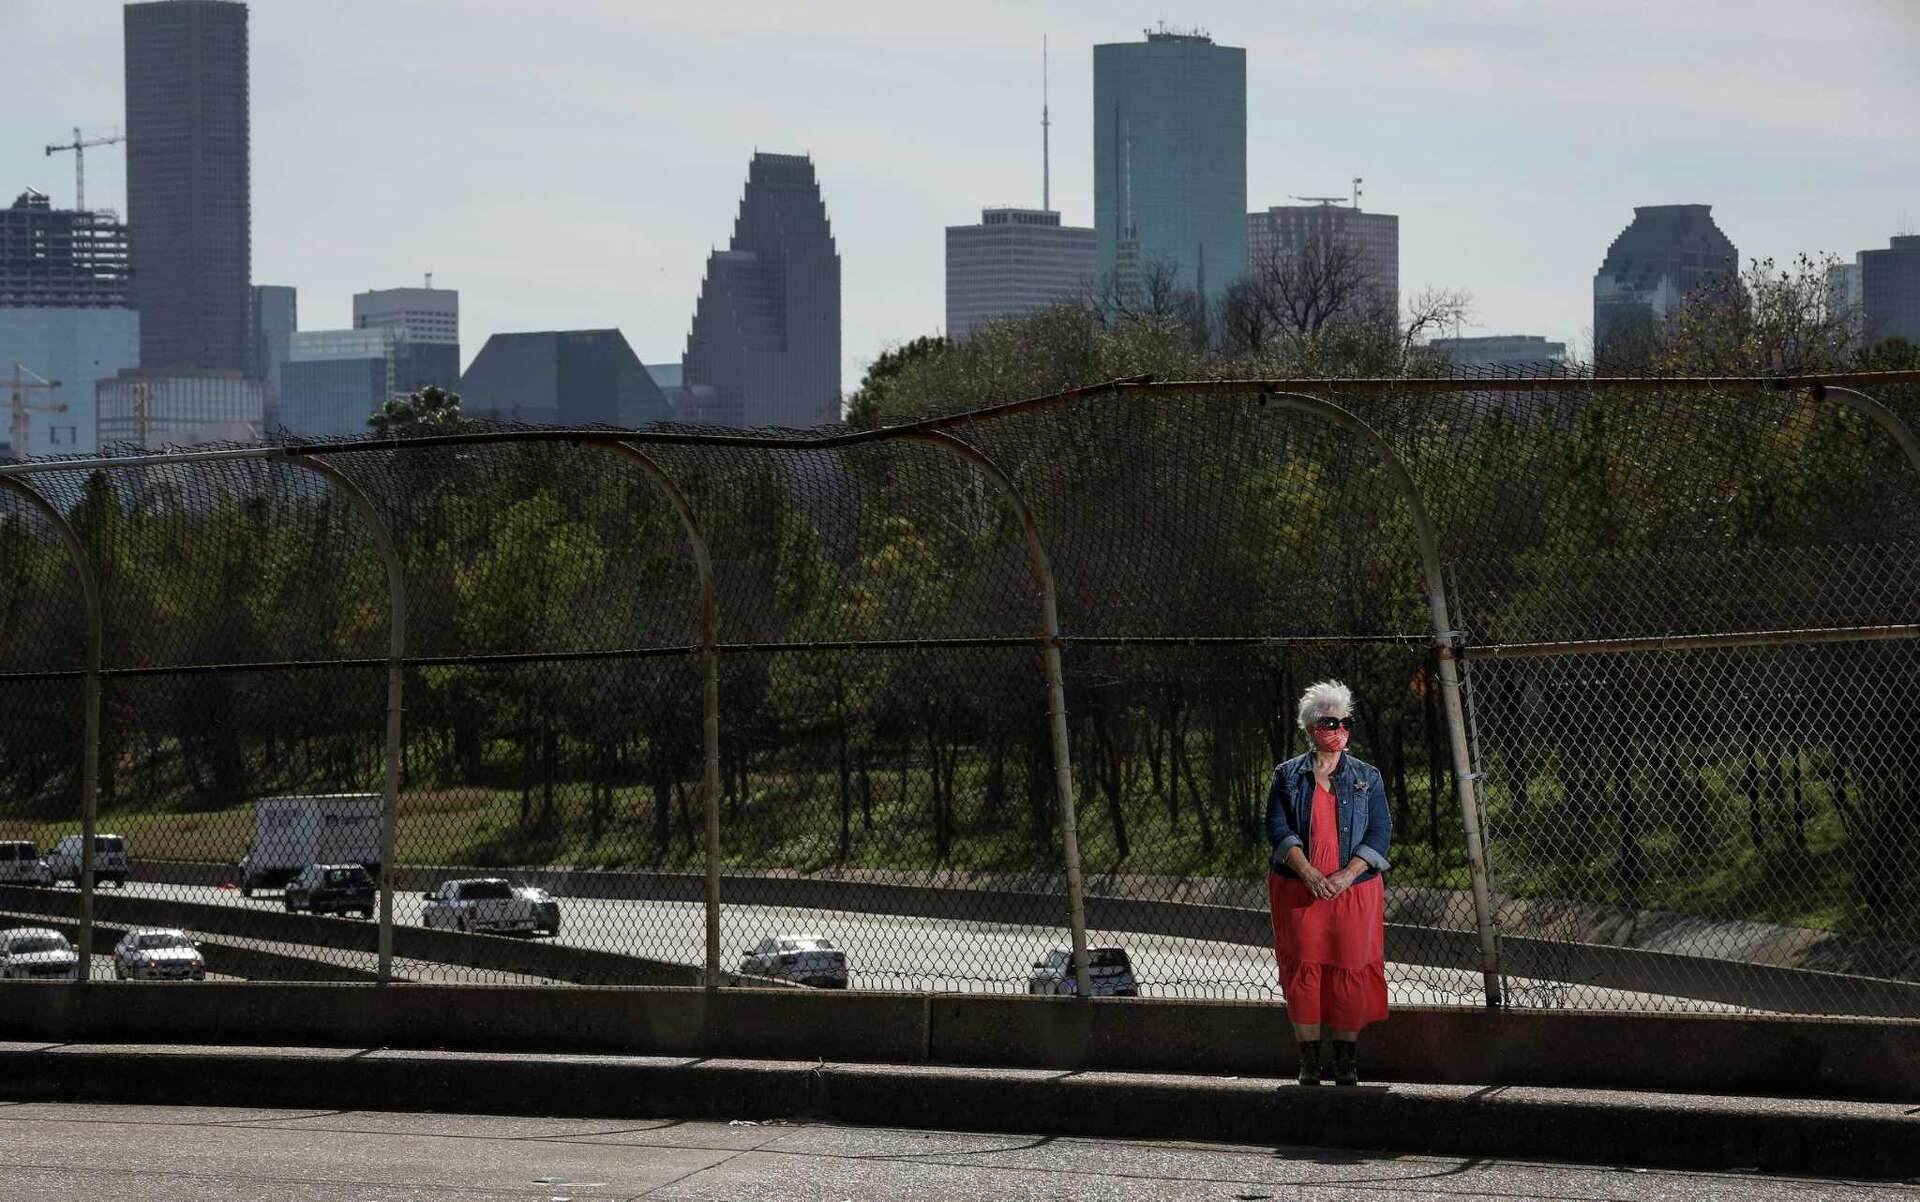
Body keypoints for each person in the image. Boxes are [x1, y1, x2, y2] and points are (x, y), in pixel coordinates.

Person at [1266, 679, 1391, 1086]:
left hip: (1353, 891)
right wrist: (1308, 872)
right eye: (1327, 723)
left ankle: (1346, 1062)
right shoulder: (1287, 776)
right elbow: (1278, 826)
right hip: (1299, 890)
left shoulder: (1367, 777)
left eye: (1343, 722)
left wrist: (1346, 874)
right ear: (1309, 728)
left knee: (1349, 968)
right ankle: (1308, 1060)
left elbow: (1379, 833)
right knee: (1304, 968)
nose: (1336, 729)